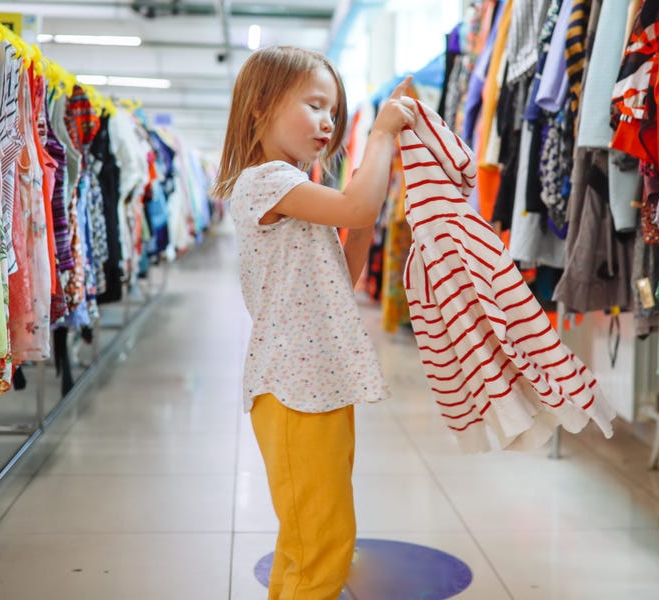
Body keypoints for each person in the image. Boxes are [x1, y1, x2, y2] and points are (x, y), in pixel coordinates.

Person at [212, 46, 417, 599]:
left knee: (311, 536)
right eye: (315, 105)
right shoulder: (267, 181)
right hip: (295, 388)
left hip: (318, 385)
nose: (328, 122)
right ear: (260, 105)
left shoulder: (294, 188)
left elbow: (337, 279)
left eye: (334, 111)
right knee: (321, 544)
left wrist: (368, 222)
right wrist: (379, 137)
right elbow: (353, 208)